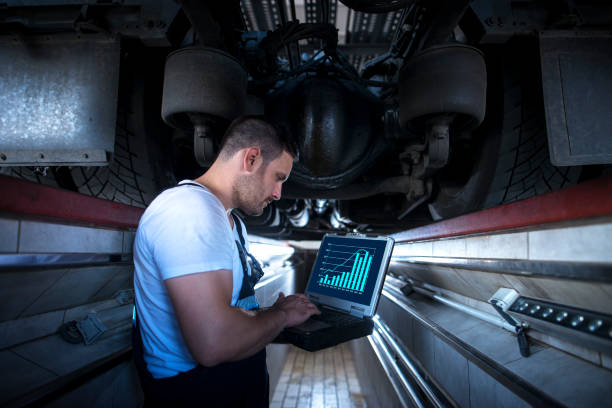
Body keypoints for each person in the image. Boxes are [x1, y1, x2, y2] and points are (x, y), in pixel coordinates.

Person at [132, 115, 320, 407]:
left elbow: (228, 310)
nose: (278, 193)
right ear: (252, 159)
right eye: (278, 178)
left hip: (228, 387)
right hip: (195, 394)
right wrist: (281, 317)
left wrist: (275, 310)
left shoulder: (229, 221)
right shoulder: (188, 211)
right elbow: (213, 342)